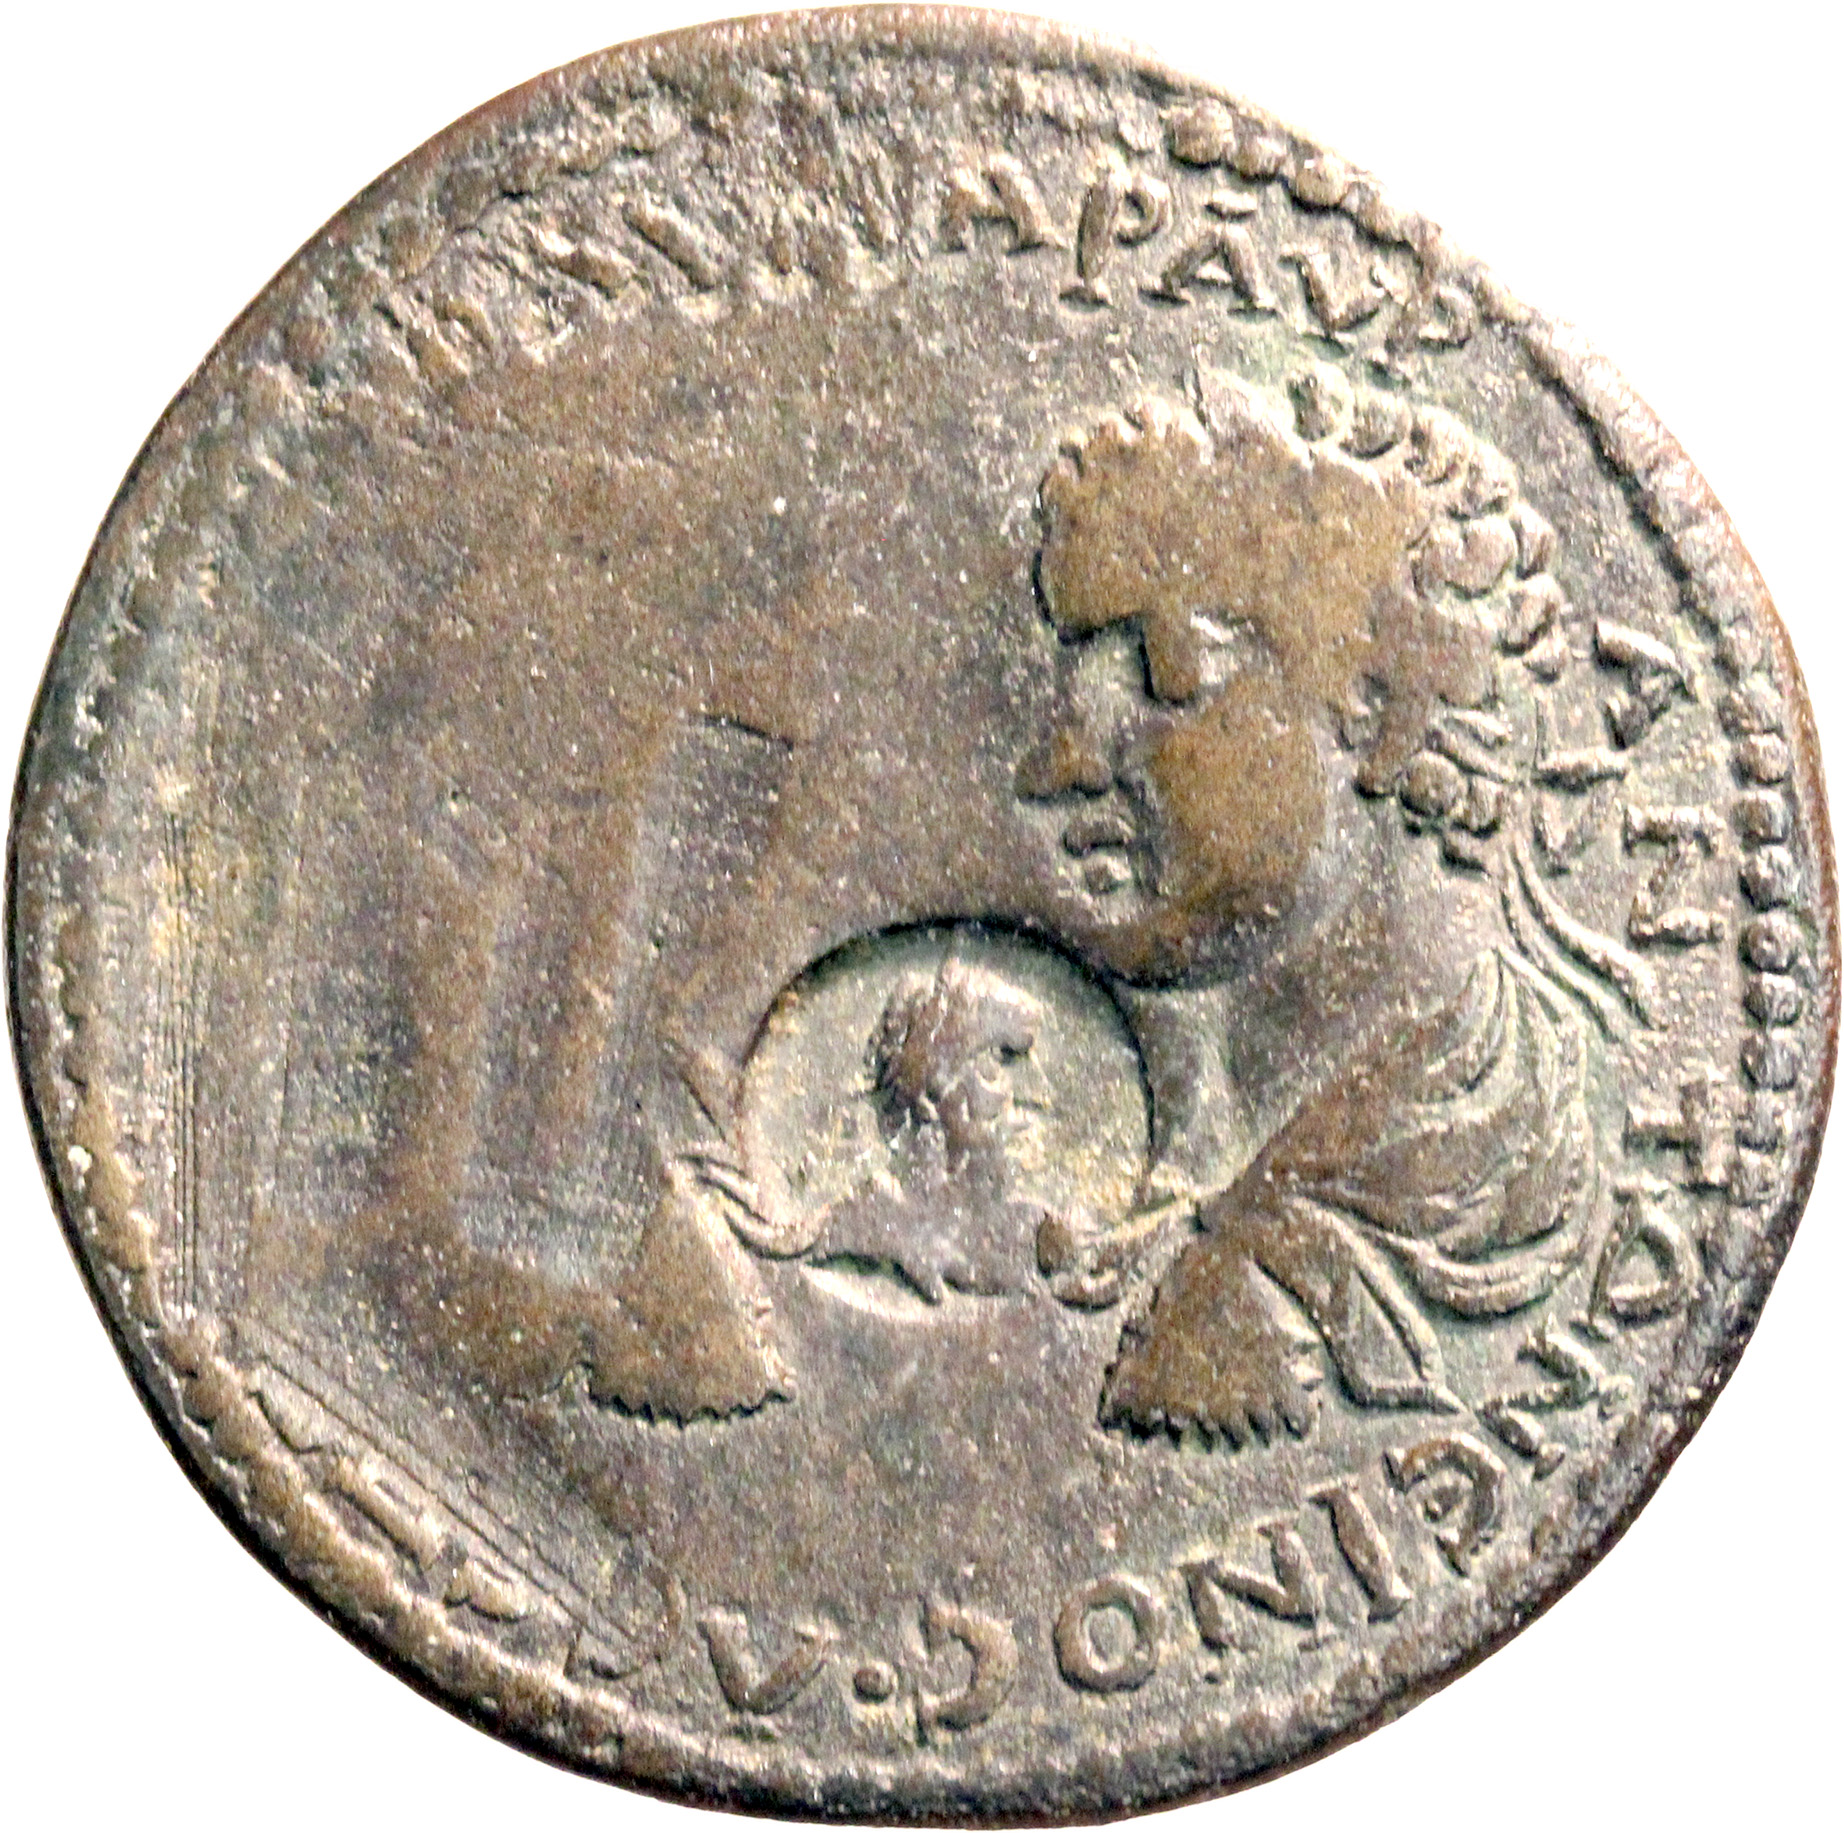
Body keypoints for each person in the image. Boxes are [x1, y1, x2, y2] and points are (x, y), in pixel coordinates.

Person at [1019, 367, 1605, 1447]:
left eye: (1160, 677)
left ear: (1377, 710)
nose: (1061, 765)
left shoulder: (1475, 1173)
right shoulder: (1196, 1166)